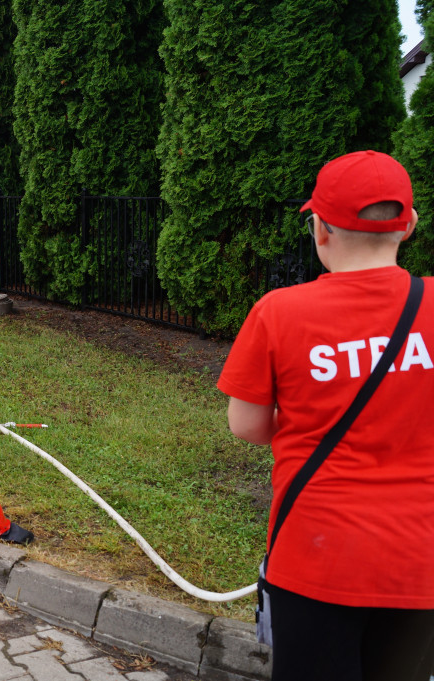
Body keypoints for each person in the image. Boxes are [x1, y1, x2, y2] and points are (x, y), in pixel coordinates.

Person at [217, 150, 434, 681]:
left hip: (317, 558)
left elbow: (246, 425)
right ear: (407, 227)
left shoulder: (278, 312)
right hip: (420, 558)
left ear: (320, 230)